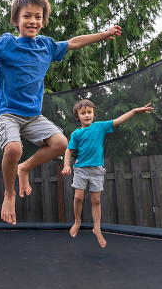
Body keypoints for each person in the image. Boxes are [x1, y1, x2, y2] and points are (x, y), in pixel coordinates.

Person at [0, 0, 122, 225]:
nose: (33, 21)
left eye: (38, 17)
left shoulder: (47, 46)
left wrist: (104, 34)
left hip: (32, 116)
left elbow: (74, 42)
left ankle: (24, 169)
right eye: (27, 16)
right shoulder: (7, 43)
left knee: (61, 143)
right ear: (16, 20)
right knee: (13, 150)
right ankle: (9, 194)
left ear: (43, 20)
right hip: (8, 113)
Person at [62, 99, 154, 247]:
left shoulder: (100, 127)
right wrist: (66, 165)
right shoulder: (76, 134)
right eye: (83, 113)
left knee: (96, 200)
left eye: (89, 112)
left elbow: (118, 120)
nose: (87, 115)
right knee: (78, 197)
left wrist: (135, 111)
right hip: (81, 169)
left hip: (97, 169)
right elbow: (68, 150)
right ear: (77, 116)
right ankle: (77, 221)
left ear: (93, 114)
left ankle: (97, 228)